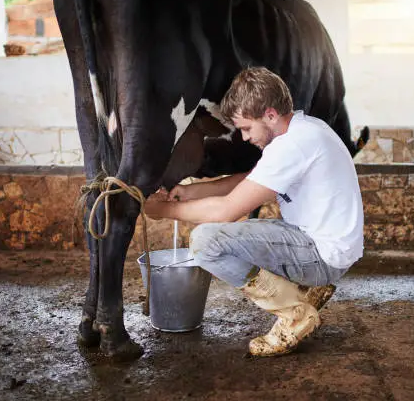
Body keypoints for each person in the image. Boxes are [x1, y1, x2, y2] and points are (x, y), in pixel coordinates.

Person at [145, 67, 364, 357]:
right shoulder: (304, 129)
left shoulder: (293, 145)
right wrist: (190, 191)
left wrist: (165, 210)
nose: (246, 138)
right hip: (325, 245)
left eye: (247, 128)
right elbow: (246, 181)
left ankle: (294, 311)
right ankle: (306, 293)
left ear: (270, 115)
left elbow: (227, 210)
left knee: (206, 241)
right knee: (226, 235)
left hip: (322, 255)